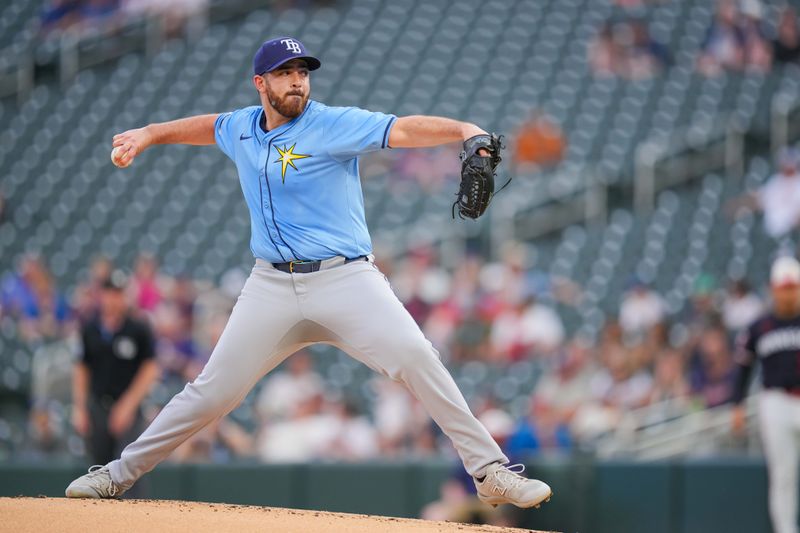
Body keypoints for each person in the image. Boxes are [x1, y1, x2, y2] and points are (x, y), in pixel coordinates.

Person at [65, 36, 552, 508]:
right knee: (212, 392)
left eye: (302, 73)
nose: (298, 81)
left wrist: (464, 129)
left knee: (416, 354)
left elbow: (402, 129)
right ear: (261, 83)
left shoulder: (332, 124)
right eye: (285, 74)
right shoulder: (240, 127)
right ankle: (117, 474)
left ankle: (489, 471)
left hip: (345, 279)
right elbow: (206, 125)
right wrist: (150, 133)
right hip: (271, 285)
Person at [732, 256, 800, 533]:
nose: (787, 292)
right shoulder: (759, 326)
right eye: (783, 287)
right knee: (783, 473)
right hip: (775, 401)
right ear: (773, 288)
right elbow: (743, 368)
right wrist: (736, 405)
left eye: (792, 287)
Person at [71, 272, 160, 468]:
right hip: (98, 407)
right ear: (102, 295)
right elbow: (81, 368)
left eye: (119, 294)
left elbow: (150, 369)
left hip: (129, 409)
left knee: (129, 467)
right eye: (110, 293)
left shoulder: (138, 329)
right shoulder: (89, 329)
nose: (115, 299)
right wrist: (79, 408)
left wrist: (127, 406)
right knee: (97, 470)